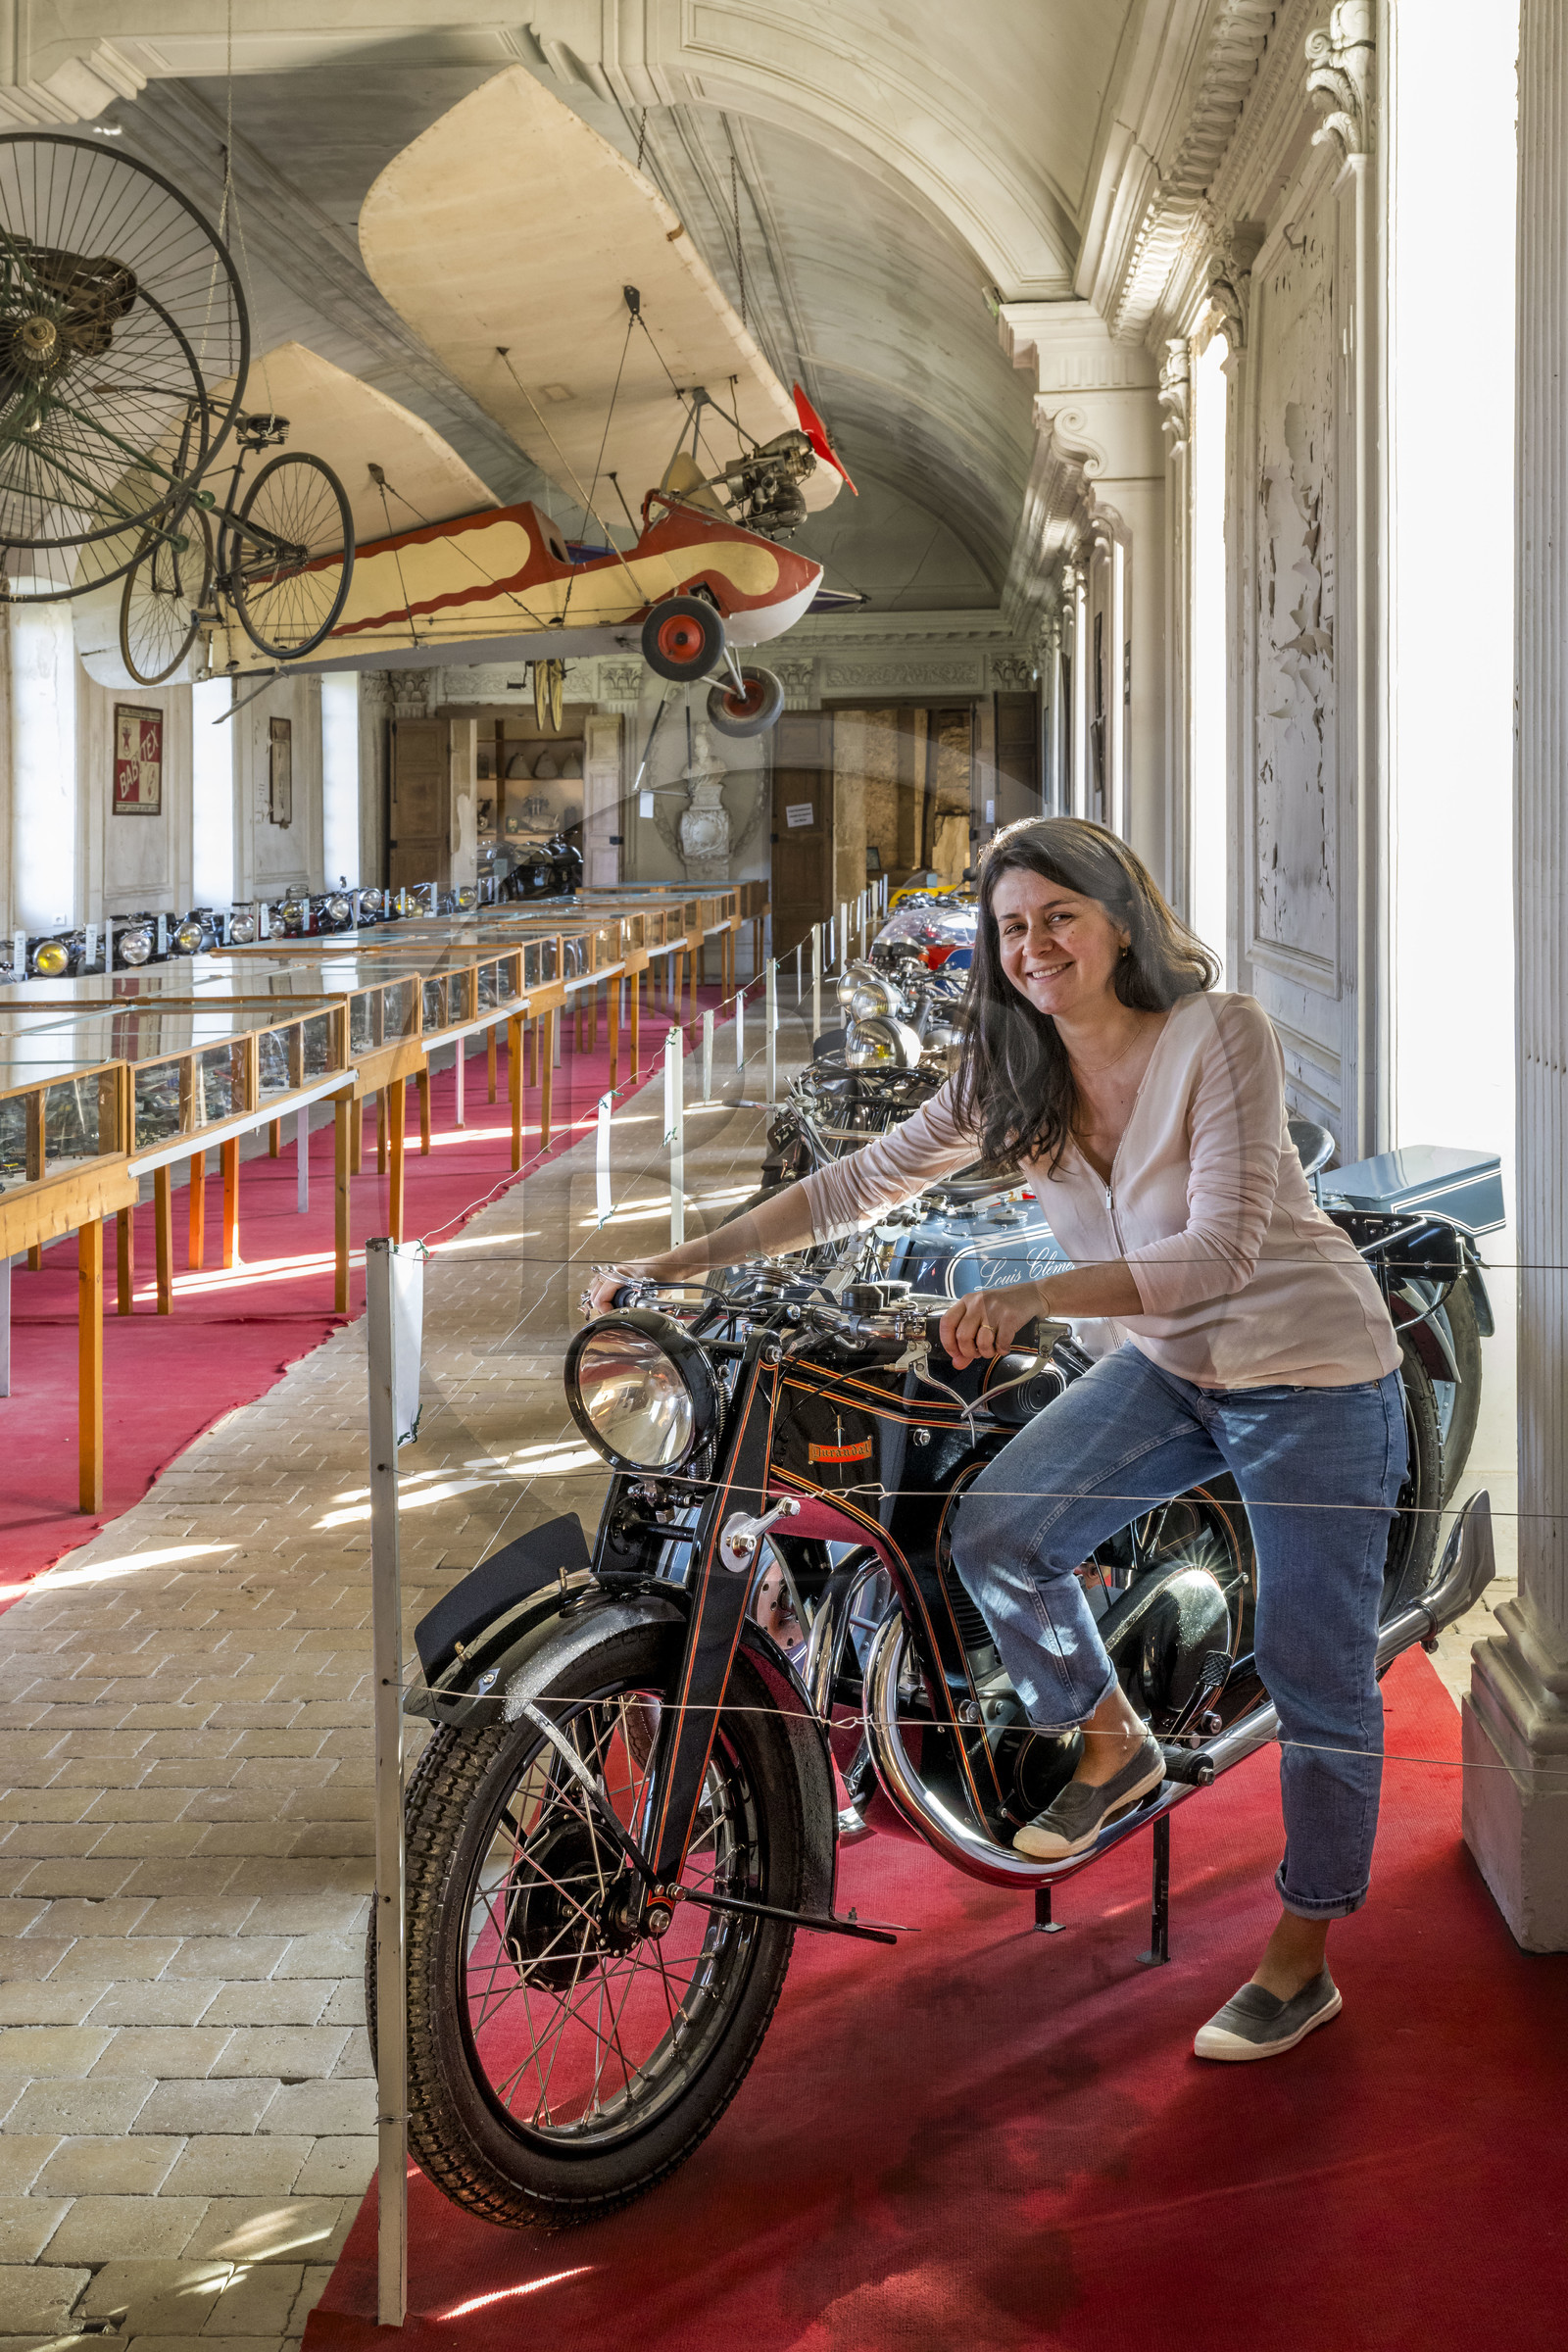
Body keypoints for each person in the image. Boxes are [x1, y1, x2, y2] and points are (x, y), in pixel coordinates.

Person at [588, 816, 1407, 2064]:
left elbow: (1218, 1255)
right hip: (1170, 1370)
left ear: (1120, 919)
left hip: (1311, 1374)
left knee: (1318, 1675)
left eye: (1058, 917)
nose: (1034, 948)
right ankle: (1111, 1739)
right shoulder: (1012, 1064)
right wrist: (681, 1260)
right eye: (1012, 928)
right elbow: (862, 1180)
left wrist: (1034, 1295)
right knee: (1001, 1531)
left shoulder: (1217, 1035)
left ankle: (1302, 1960)